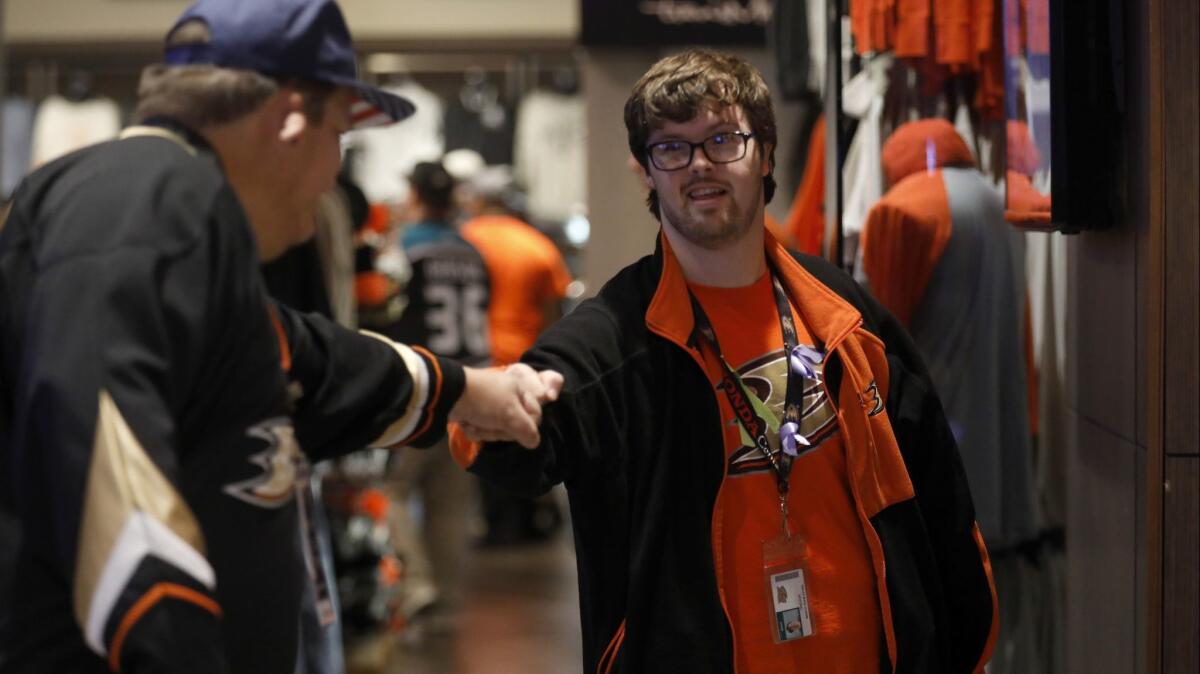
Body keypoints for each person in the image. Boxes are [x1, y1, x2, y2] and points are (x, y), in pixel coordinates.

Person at [0, 1, 559, 672]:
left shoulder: (180, 214)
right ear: (290, 119)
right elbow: (103, 467)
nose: (333, 175)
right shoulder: (138, 201)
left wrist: (471, 390)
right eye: (340, 138)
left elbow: (308, 360)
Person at [453, 49, 997, 673]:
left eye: (722, 139)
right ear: (648, 174)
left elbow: (935, 490)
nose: (699, 165)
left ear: (764, 154)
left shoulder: (842, 313)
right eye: (671, 148)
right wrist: (490, 399)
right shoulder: (616, 336)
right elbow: (526, 432)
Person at [383, 160, 491, 635]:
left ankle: (417, 584)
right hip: (470, 386)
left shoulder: (405, 247)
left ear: (416, 194)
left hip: (419, 386)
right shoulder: (472, 250)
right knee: (451, 499)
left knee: (392, 489)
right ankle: (443, 591)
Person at [459, 166, 575, 545]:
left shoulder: (465, 239)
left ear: (479, 200)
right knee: (528, 436)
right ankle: (527, 522)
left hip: (477, 358)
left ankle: (496, 526)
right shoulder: (538, 245)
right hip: (527, 358)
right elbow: (553, 311)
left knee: (482, 442)